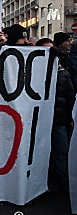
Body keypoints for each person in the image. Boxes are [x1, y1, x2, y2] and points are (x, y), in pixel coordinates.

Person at [38, 33, 75, 193]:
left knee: (62, 154)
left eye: (51, 50)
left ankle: (67, 188)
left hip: (58, 122)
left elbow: (70, 98)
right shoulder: (31, 76)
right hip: (38, 124)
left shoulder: (63, 73)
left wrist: (70, 118)